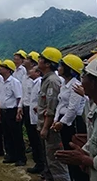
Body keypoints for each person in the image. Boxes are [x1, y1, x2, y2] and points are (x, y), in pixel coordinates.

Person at [55, 52, 97, 181]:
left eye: (84, 76)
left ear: (94, 82)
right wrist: (85, 152)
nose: (81, 81)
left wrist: (83, 159)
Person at [52, 54, 88, 181]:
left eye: (62, 66)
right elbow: (60, 104)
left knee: (74, 151)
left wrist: (62, 122)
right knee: (68, 152)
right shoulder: (65, 84)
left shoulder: (75, 85)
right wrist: (56, 120)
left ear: (68, 69)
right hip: (64, 120)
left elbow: (72, 109)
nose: (59, 68)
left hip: (73, 123)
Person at [36, 47, 70, 181]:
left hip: (50, 127)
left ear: (48, 64)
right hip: (44, 124)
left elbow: (51, 108)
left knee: (55, 159)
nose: (38, 61)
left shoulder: (52, 81)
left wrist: (45, 127)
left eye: (41, 59)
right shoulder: (46, 79)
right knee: (48, 158)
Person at [0, 59, 27, 166]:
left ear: (8, 70)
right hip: (4, 111)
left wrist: (19, 112)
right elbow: (1, 98)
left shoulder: (14, 82)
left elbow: (19, 97)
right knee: (7, 134)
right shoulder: (2, 82)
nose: (0, 69)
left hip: (12, 111)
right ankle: (11, 155)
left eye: (3, 67)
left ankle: (21, 157)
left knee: (16, 135)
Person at [23, 51, 45, 174]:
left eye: (32, 70)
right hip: (32, 114)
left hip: (38, 116)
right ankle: (39, 163)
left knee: (39, 142)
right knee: (34, 140)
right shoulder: (33, 82)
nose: (29, 72)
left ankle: (41, 164)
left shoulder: (39, 82)